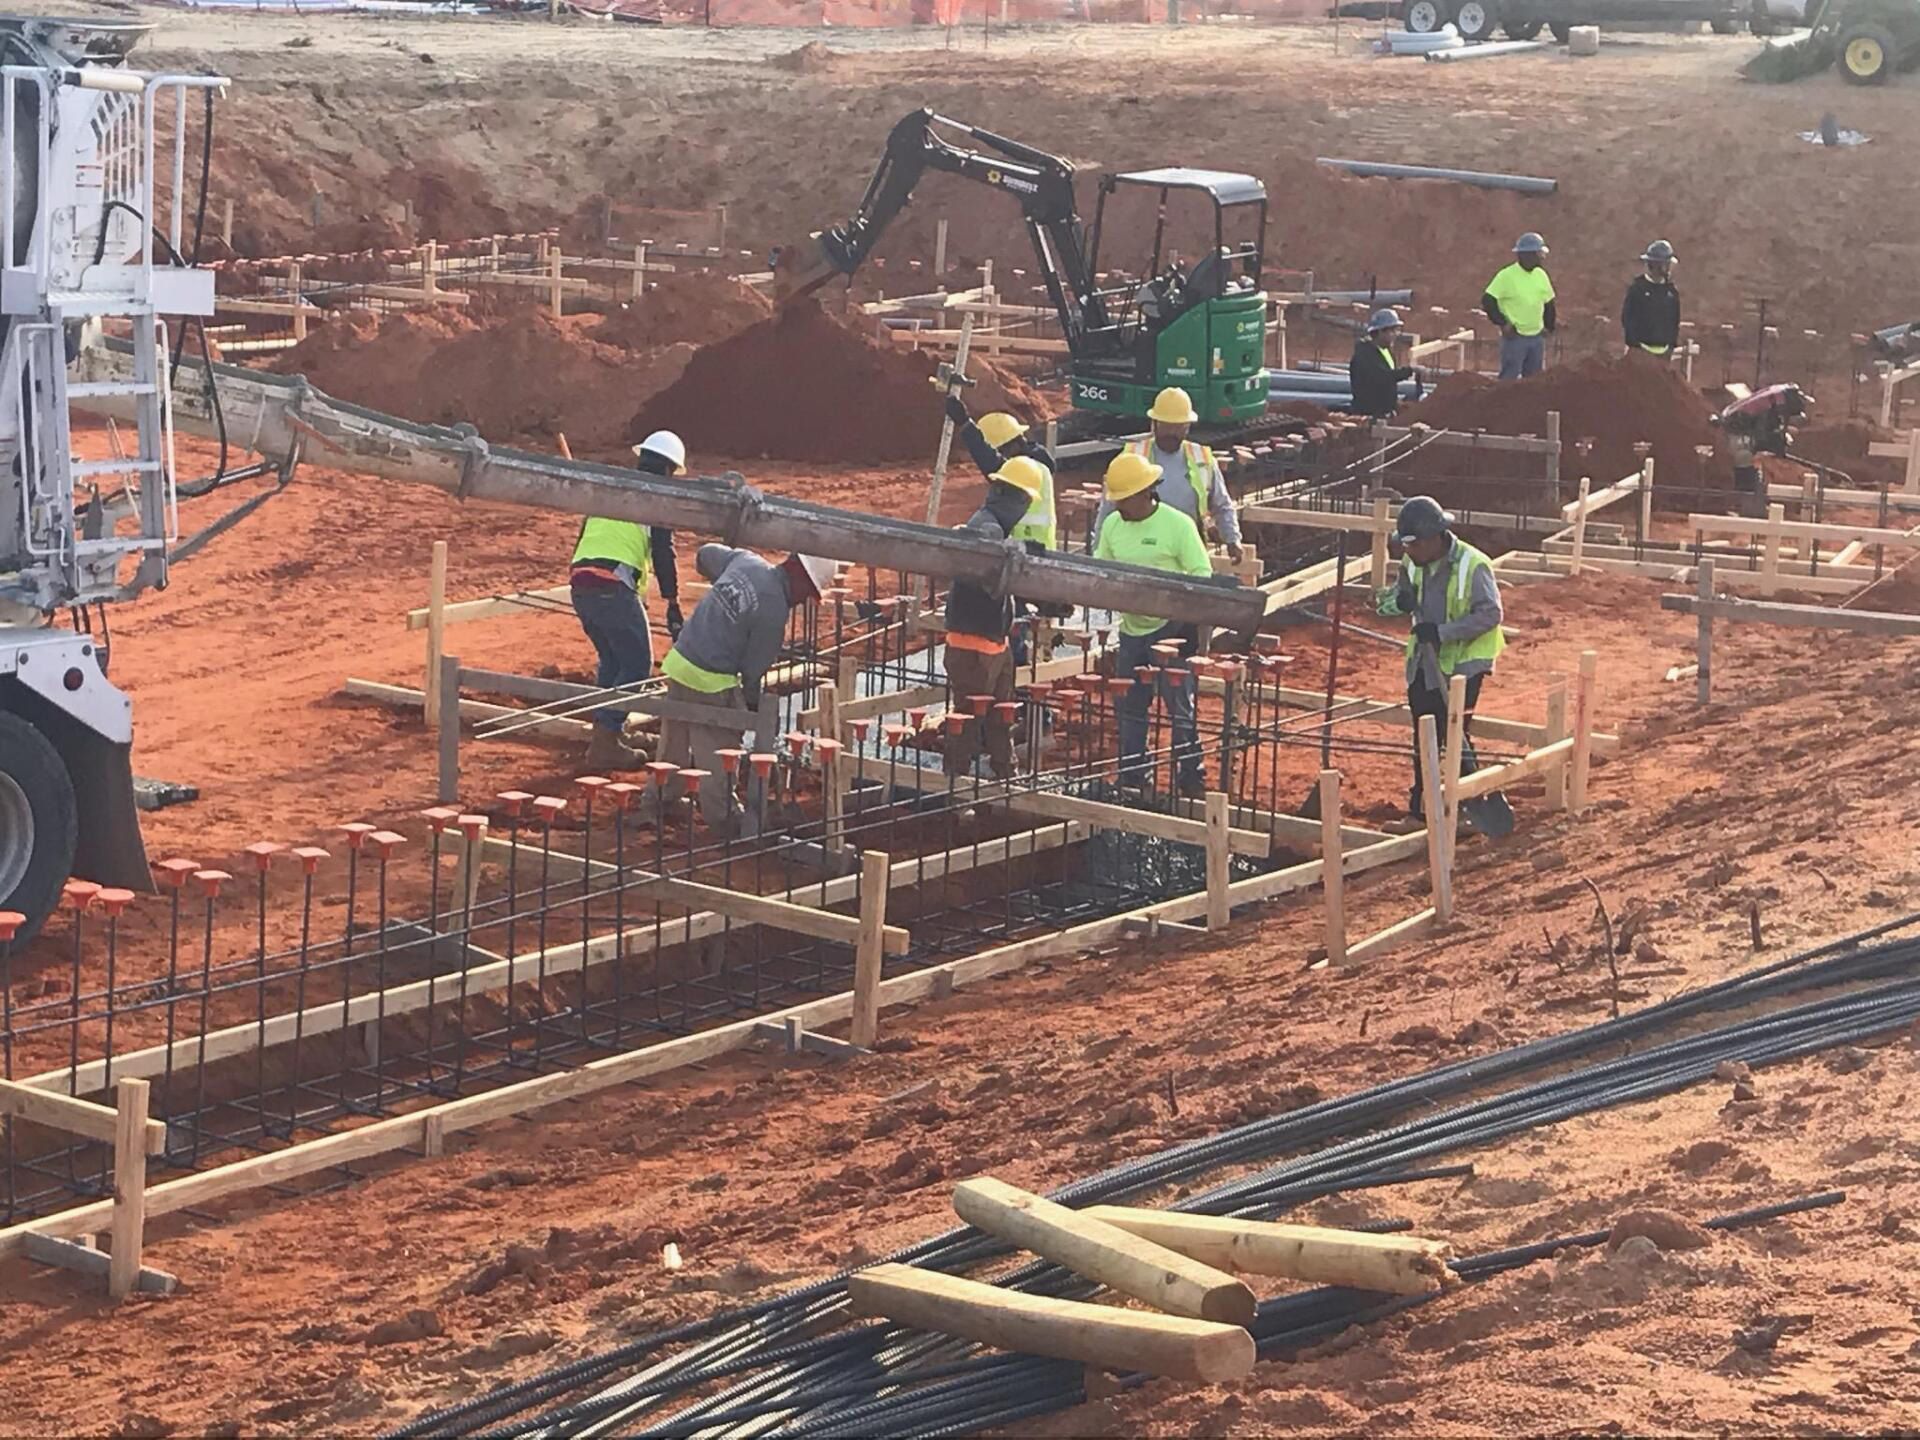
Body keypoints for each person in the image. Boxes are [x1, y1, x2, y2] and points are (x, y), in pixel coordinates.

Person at [655, 547, 837, 836]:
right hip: (711, 678)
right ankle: (725, 819)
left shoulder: (746, 561)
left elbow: (704, 555)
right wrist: (754, 716)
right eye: (807, 592)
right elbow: (752, 673)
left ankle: (658, 802)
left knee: (674, 738)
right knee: (720, 750)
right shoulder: (774, 611)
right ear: (799, 576)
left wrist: (730, 590)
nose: (802, 601)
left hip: (681, 660)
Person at [1093, 450, 1215, 799]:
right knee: (1130, 708)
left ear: (1144, 492)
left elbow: (1201, 575)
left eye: (1123, 500)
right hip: (1133, 632)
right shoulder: (1114, 526)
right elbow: (1104, 569)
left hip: (1175, 631)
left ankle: (1191, 778)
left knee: (1180, 709)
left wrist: (1179, 617)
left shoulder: (1177, 525)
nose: (1116, 507)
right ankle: (1133, 777)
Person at [1376, 496, 1505, 818]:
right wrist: (1398, 601)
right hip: (1425, 660)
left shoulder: (1473, 565)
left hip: (1465, 662)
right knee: (1425, 734)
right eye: (1406, 546)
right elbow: (1388, 602)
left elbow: (1491, 614)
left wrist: (1443, 632)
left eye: (1416, 546)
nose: (1410, 552)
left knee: (1454, 733)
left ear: (1435, 537)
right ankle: (1423, 810)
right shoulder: (1411, 561)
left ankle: (1467, 805)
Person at [569, 429, 688, 771]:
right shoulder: (657, 499)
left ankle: (609, 734)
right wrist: (673, 602)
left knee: (612, 661)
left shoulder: (611, 491)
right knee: (637, 665)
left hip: (581, 584)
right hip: (611, 586)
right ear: (669, 471)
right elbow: (663, 553)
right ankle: (606, 740)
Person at [941, 457, 1051, 780]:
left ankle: (1006, 774)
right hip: (972, 647)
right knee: (969, 719)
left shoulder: (994, 525)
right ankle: (954, 785)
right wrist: (1015, 557)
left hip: (993, 644)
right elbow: (991, 582)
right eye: (1026, 502)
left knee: (1000, 717)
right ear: (1015, 498)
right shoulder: (986, 527)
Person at [1091, 388, 1242, 565]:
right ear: (1154, 423)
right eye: (1166, 426)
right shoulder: (1133, 455)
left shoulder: (1201, 458)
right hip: (1138, 547)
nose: (1171, 432)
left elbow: (1222, 505)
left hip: (1187, 549)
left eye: (1178, 426)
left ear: (1187, 427)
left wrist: (1232, 539)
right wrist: (1098, 551)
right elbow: (1109, 509)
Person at [945, 397, 1058, 550]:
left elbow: (991, 463)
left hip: (1032, 555)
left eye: (999, 451)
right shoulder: (1035, 464)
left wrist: (966, 425)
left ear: (1009, 447)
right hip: (1023, 549)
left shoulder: (1031, 468)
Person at [1483, 234, 1556, 381]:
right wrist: (1503, 323)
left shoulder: (1541, 275)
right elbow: (1488, 300)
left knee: (1534, 380)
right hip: (1515, 338)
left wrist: (1549, 325)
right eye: (1538, 253)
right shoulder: (1507, 276)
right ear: (1526, 255)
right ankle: (1503, 404)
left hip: (1536, 338)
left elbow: (1549, 303)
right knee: (1509, 379)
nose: (1541, 257)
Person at [1348, 309, 1422, 418]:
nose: (1395, 335)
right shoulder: (1365, 355)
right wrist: (1409, 370)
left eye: (1397, 331)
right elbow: (1382, 377)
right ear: (1379, 332)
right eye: (1392, 331)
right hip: (1369, 414)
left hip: (1385, 412)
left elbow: (1388, 381)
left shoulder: (1385, 352)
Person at [1621, 239, 1681, 358]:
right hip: (1640, 354)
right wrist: (1635, 346)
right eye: (1665, 264)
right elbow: (1628, 319)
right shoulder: (1637, 289)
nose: (1668, 268)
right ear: (1654, 265)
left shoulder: (1671, 292)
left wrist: (1670, 346)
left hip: (1663, 355)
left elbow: (1675, 321)